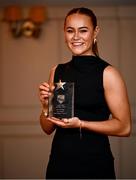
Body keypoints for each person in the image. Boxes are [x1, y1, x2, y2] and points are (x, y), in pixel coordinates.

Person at [39, 7, 131, 179]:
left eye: (83, 30)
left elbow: (124, 127)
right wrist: (46, 106)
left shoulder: (108, 73)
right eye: (70, 30)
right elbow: (47, 128)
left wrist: (81, 124)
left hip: (94, 163)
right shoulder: (57, 71)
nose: (75, 37)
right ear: (64, 33)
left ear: (95, 31)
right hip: (59, 162)